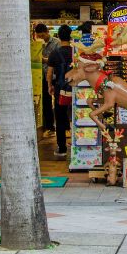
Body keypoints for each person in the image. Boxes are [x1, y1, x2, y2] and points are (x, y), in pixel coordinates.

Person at [45, 25, 74, 158]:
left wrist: (50, 86)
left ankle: (62, 148)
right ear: (70, 36)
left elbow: (49, 73)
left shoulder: (55, 53)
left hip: (60, 89)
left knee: (60, 117)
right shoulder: (76, 51)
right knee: (77, 115)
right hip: (76, 89)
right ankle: (77, 144)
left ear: (58, 36)